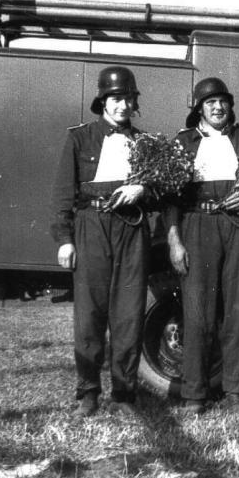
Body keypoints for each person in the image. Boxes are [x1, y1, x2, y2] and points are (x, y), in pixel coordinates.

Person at [50, 66, 149, 418]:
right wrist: (65, 240)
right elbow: (64, 193)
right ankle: (89, 390)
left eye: (128, 98)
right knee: (89, 313)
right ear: (103, 101)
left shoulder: (144, 143)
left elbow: (159, 193)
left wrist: (143, 189)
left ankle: (124, 394)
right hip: (91, 226)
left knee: (128, 314)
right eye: (116, 98)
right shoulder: (80, 137)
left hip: (131, 228)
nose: (122, 105)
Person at [165, 77, 239, 414]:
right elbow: (170, 198)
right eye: (210, 103)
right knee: (197, 313)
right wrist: (174, 240)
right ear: (199, 108)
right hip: (197, 226)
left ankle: (238, 391)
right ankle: (194, 393)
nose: (218, 107)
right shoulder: (183, 143)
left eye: (222, 101)